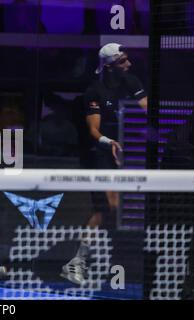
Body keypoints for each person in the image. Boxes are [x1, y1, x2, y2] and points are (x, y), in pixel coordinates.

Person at [60, 43, 148, 285]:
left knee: (112, 210)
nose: (128, 65)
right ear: (109, 67)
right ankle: (76, 263)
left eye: (128, 60)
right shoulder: (94, 91)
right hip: (99, 155)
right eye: (123, 62)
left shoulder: (132, 82)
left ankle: (90, 259)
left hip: (129, 154)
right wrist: (110, 143)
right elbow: (93, 130)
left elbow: (147, 111)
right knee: (106, 207)